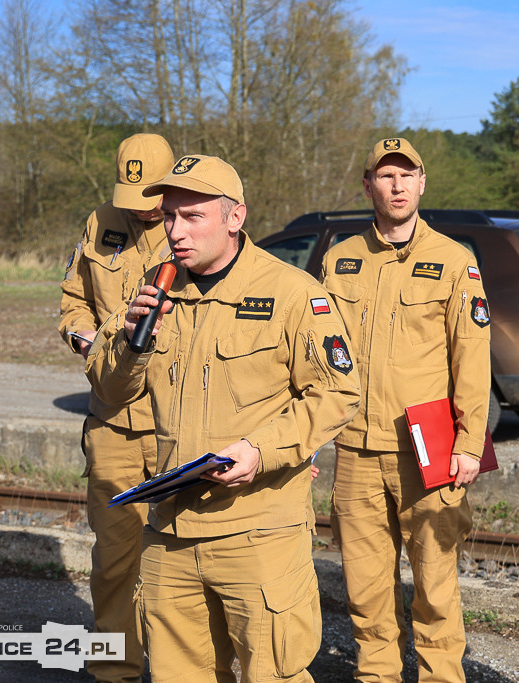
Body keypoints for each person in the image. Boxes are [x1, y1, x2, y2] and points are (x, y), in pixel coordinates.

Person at [86, 154, 360, 681]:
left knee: (271, 673)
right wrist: (131, 340)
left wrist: (262, 449)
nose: (175, 231)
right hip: (169, 530)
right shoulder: (155, 286)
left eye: (193, 217)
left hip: (258, 532)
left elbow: (337, 391)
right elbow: (110, 386)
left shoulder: (291, 293)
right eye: (169, 216)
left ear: (236, 218)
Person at [320, 138, 491, 682]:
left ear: (422, 183)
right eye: (384, 176)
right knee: (366, 596)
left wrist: (468, 444)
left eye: (406, 175)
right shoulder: (338, 259)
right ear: (367, 185)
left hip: (431, 450)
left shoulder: (454, 262)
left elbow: (472, 360)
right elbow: (318, 354)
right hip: (355, 451)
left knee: (436, 591)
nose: (396, 186)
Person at [59, 132, 174, 682]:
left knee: (183, 564)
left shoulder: (195, 220)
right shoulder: (99, 222)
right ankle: (115, 674)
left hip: (182, 425)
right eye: (130, 195)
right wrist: (82, 337)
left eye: (151, 196)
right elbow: (73, 302)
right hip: (113, 424)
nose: (141, 210)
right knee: (113, 565)